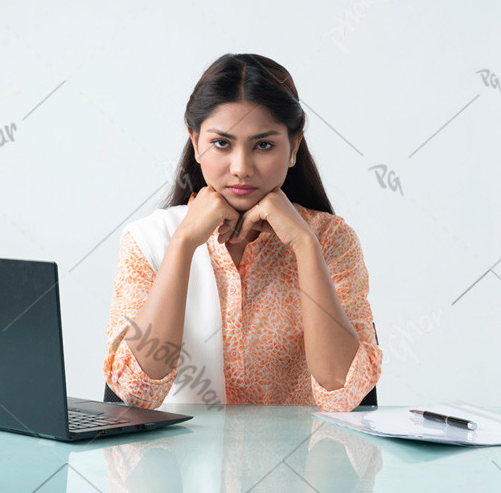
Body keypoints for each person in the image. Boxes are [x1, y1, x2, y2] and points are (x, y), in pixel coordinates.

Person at [103, 53, 382, 411]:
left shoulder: (331, 241)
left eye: (263, 145)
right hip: (177, 465)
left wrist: (304, 245)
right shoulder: (148, 240)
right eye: (222, 143)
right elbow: (136, 392)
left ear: (293, 146)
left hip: (302, 465)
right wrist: (184, 243)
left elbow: (344, 393)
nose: (241, 168)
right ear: (195, 141)